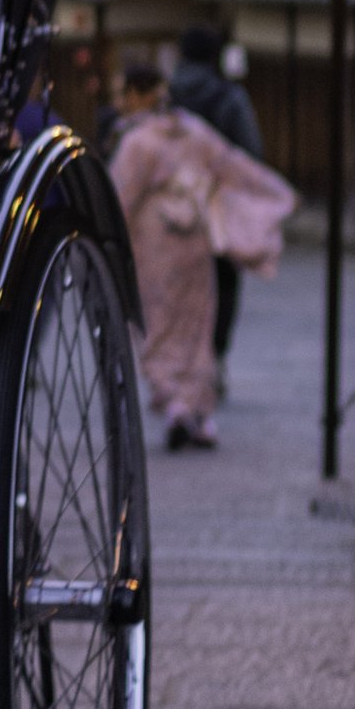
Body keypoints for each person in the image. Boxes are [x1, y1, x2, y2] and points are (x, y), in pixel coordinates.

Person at [107, 59, 295, 450]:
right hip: (194, 237)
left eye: (123, 93)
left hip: (153, 242)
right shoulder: (193, 130)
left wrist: (106, 238)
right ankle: (199, 412)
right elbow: (232, 164)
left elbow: (121, 198)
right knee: (197, 328)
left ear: (139, 95)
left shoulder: (137, 142)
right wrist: (274, 193)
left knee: (158, 324)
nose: (119, 101)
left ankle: (176, 404)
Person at [167, 22, 268, 373]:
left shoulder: (166, 97)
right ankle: (215, 354)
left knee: (176, 279)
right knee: (223, 281)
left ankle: (180, 354)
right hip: (218, 203)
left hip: (171, 202)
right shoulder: (229, 98)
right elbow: (251, 151)